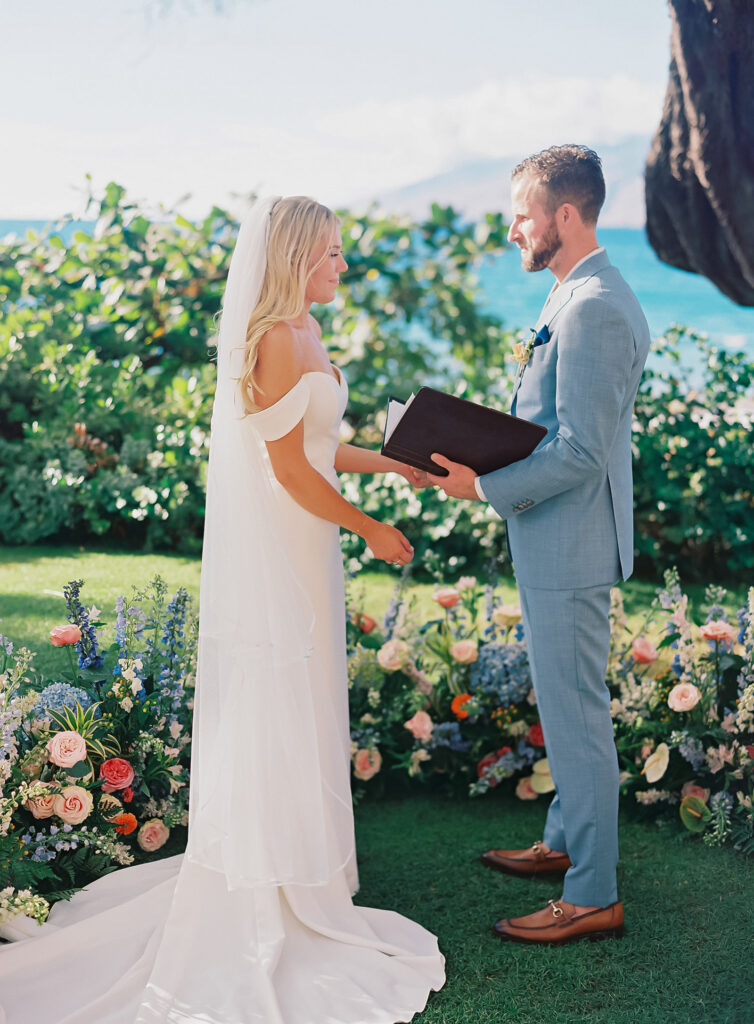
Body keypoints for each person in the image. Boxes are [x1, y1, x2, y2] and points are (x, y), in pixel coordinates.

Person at [0, 196, 444, 1022]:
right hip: (287, 543)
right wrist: (372, 528)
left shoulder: (310, 331)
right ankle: (269, 878)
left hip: (313, 545)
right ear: (296, 257)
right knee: (275, 700)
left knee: (308, 702)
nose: (343, 266)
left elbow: (321, 446)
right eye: (333, 255)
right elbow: (288, 473)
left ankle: (309, 870)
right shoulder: (275, 339)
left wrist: (393, 467)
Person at [427, 145, 651, 946]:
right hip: (555, 539)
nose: (511, 227)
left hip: (571, 545)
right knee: (566, 708)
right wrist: (473, 451)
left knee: (578, 716)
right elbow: (555, 430)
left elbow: (583, 451)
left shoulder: (591, 305)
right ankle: (564, 846)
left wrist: (480, 486)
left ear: (565, 214)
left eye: (522, 213)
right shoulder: (574, 293)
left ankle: (592, 894)